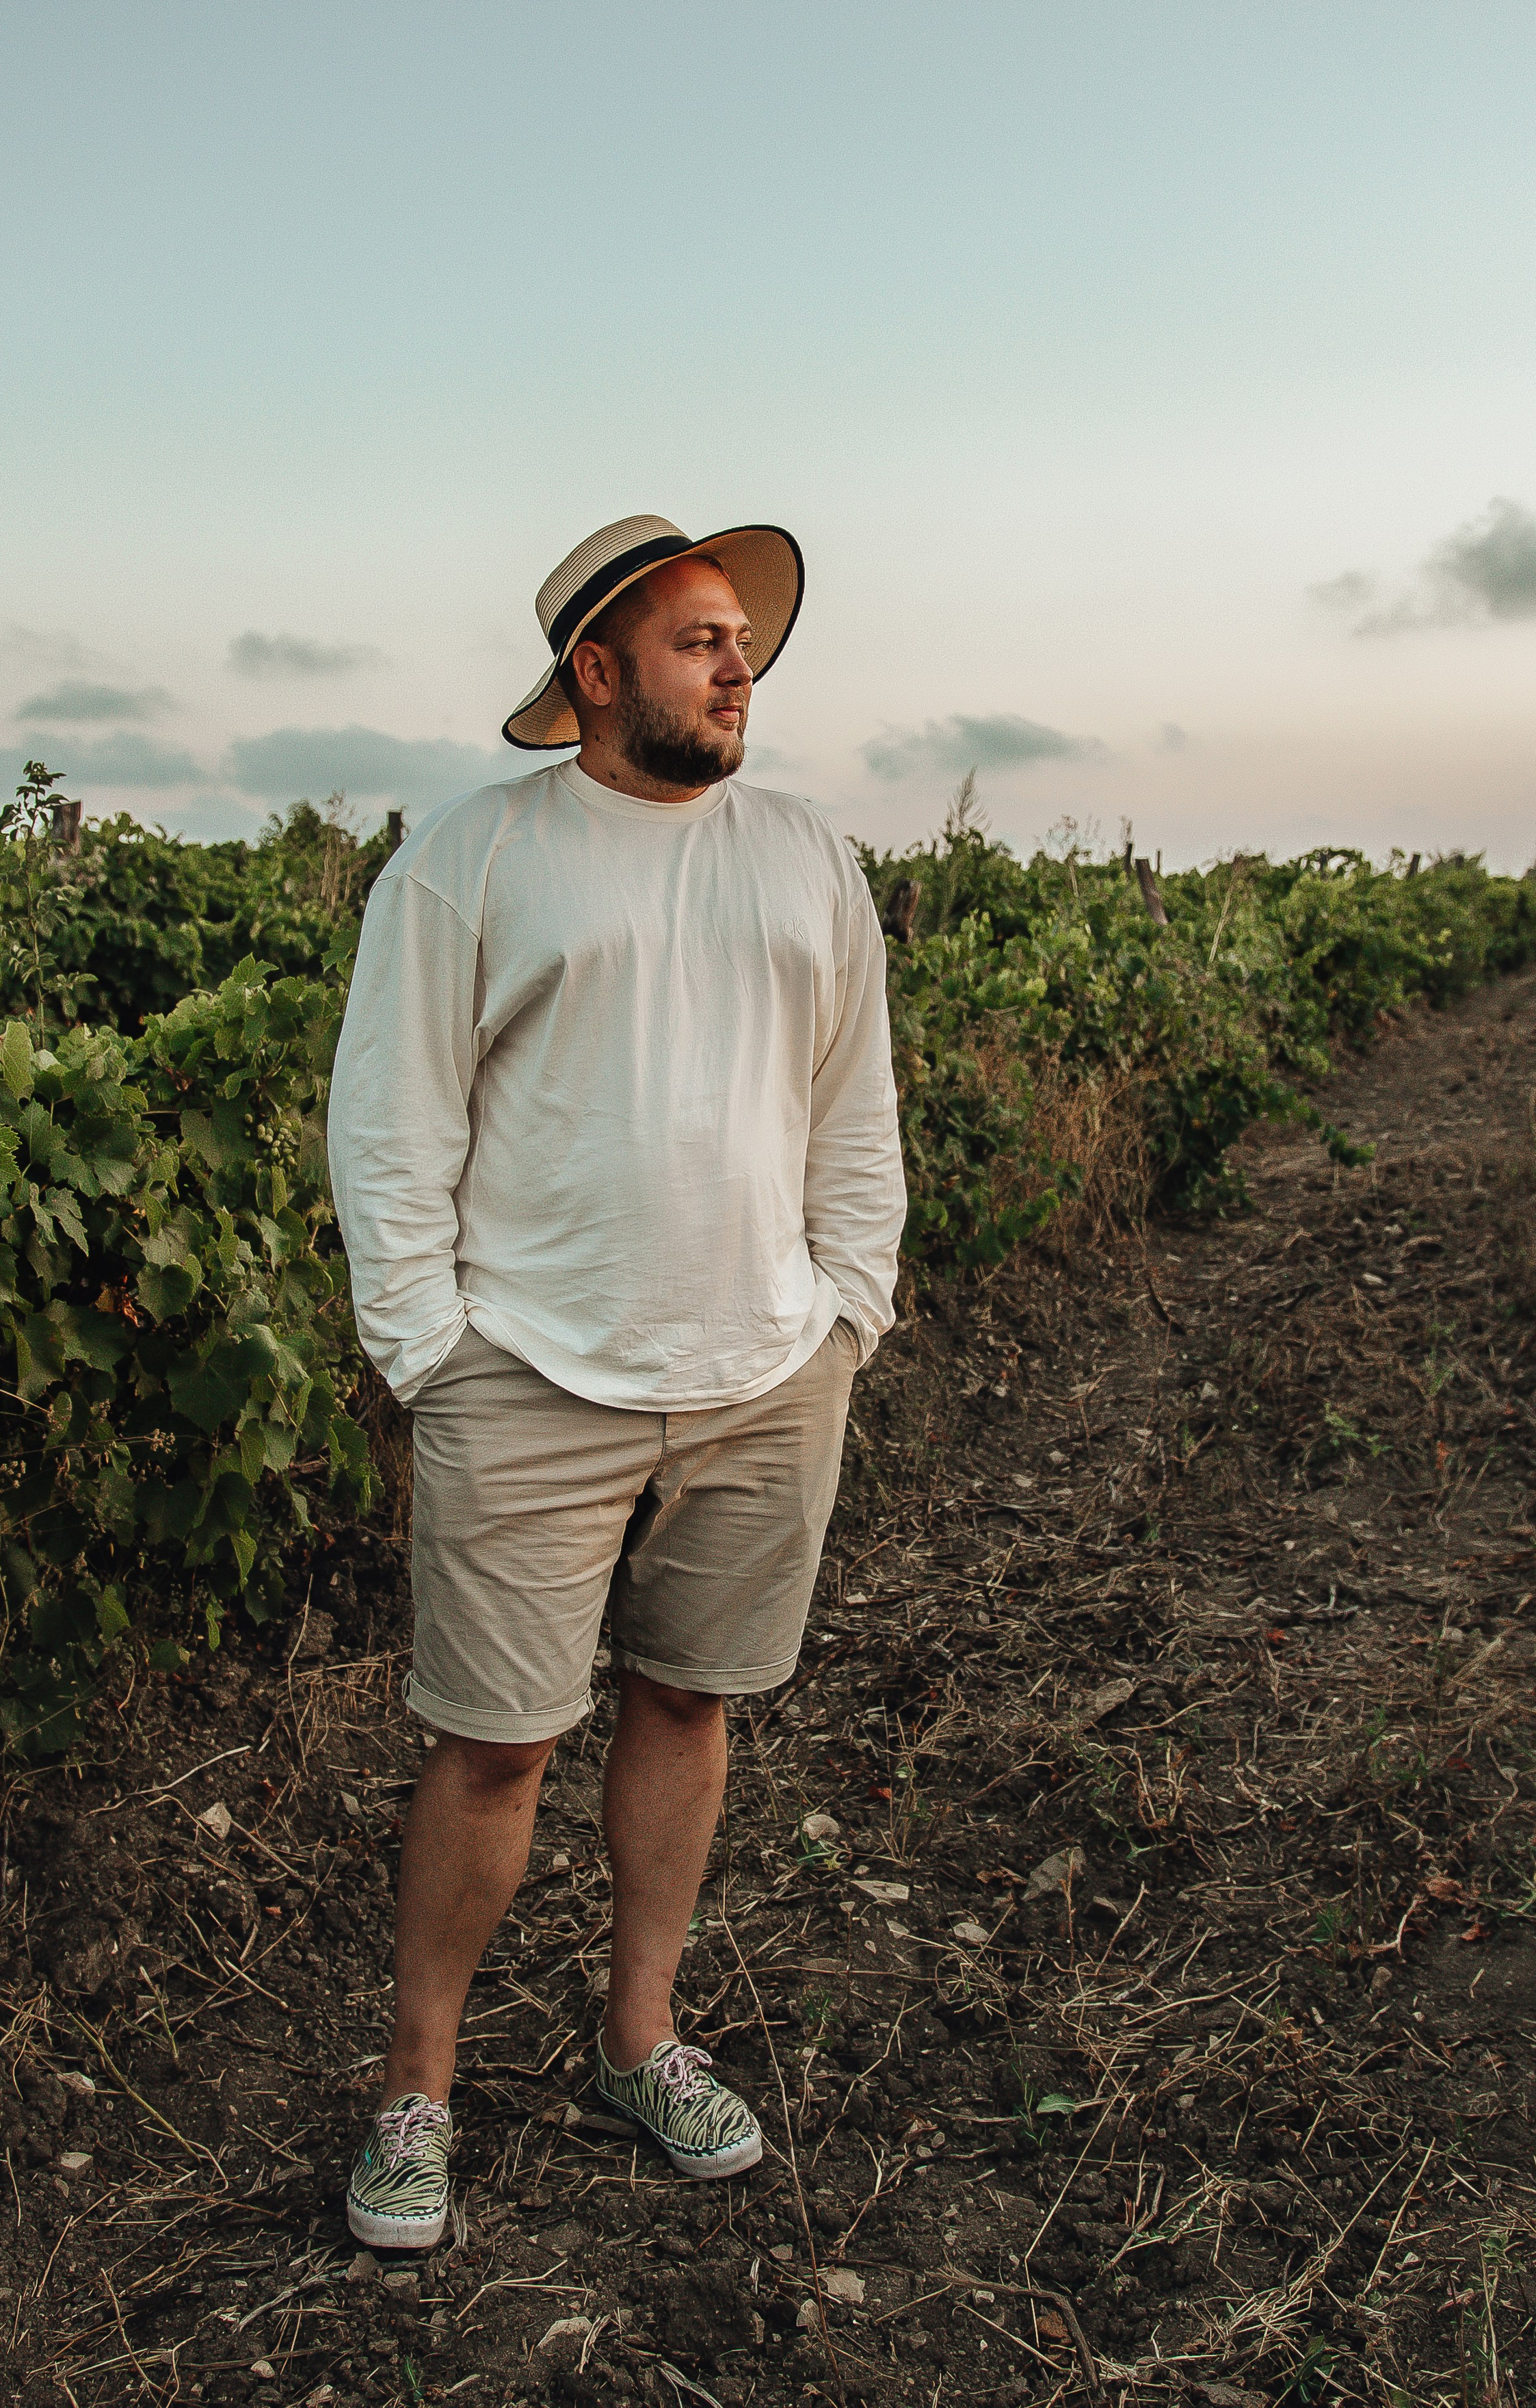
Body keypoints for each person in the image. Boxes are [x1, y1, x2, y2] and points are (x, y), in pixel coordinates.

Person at [326, 514, 908, 2248]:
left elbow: (852, 1110)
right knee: (493, 1745)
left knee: (686, 1705)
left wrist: (846, 1313)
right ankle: (414, 2092)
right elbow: (392, 1123)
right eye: (699, 642)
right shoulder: (472, 861)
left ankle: (636, 2038)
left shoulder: (808, 858)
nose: (740, 669)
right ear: (596, 670)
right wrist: (431, 1352)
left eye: (742, 641)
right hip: (529, 1374)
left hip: (764, 1372)